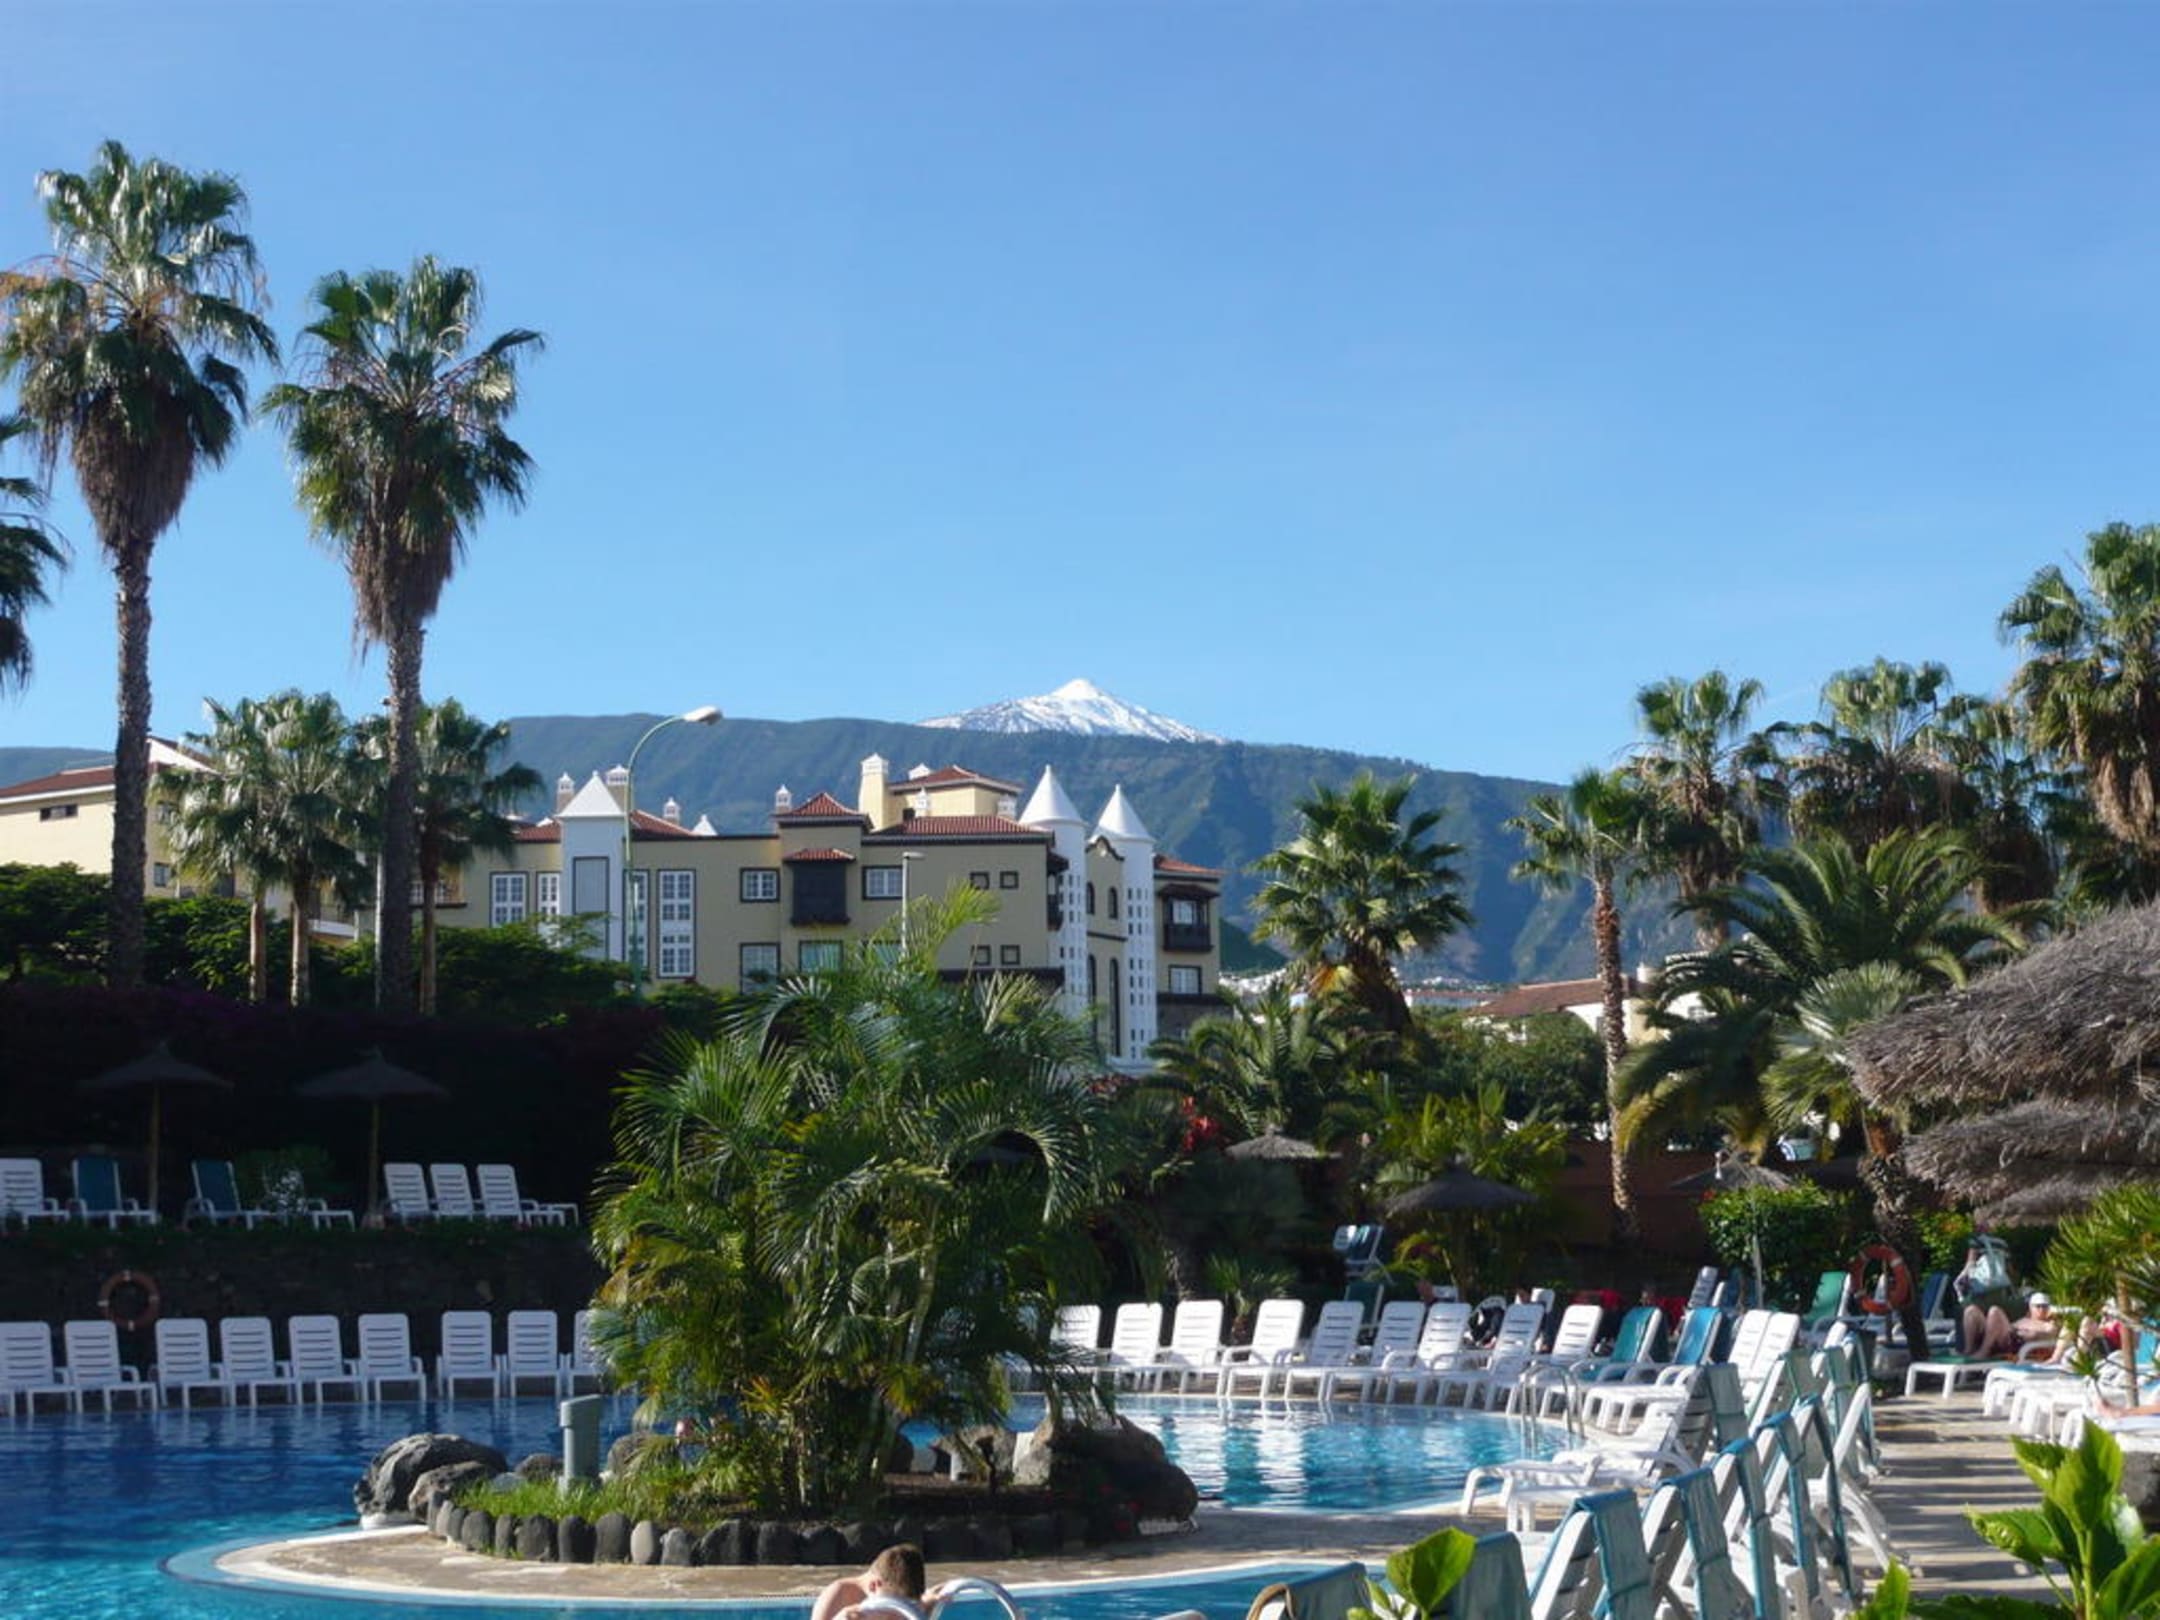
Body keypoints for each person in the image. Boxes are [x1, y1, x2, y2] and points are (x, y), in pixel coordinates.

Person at [811, 1544, 948, 1620]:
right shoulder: (839, 1595)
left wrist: (927, 1608)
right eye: (896, 1602)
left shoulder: (905, 1602)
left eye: (907, 1603)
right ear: (874, 1585)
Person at [1959, 1292, 2061, 1360]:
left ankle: (1984, 1352)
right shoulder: (2024, 1320)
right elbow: (2012, 1326)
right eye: (2038, 1306)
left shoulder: (2050, 1324)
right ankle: (1969, 1350)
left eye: (2044, 1306)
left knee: (1995, 1311)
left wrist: (2031, 1333)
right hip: (2002, 1337)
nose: (2041, 1310)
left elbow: (2049, 1334)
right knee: (1971, 1311)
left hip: (2013, 1346)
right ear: (2030, 1307)